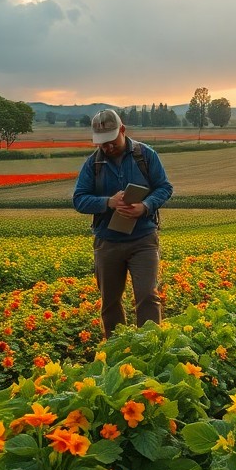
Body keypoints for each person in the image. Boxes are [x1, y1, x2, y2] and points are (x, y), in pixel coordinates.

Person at [72, 109, 173, 336]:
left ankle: (149, 347)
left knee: (147, 296)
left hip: (143, 239)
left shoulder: (145, 155)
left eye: (110, 141)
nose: (107, 147)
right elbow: (78, 200)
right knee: (110, 302)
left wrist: (145, 207)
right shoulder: (93, 164)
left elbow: (165, 188)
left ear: (123, 130)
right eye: (101, 143)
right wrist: (109, 202)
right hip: (107, 242)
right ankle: (118, 351)